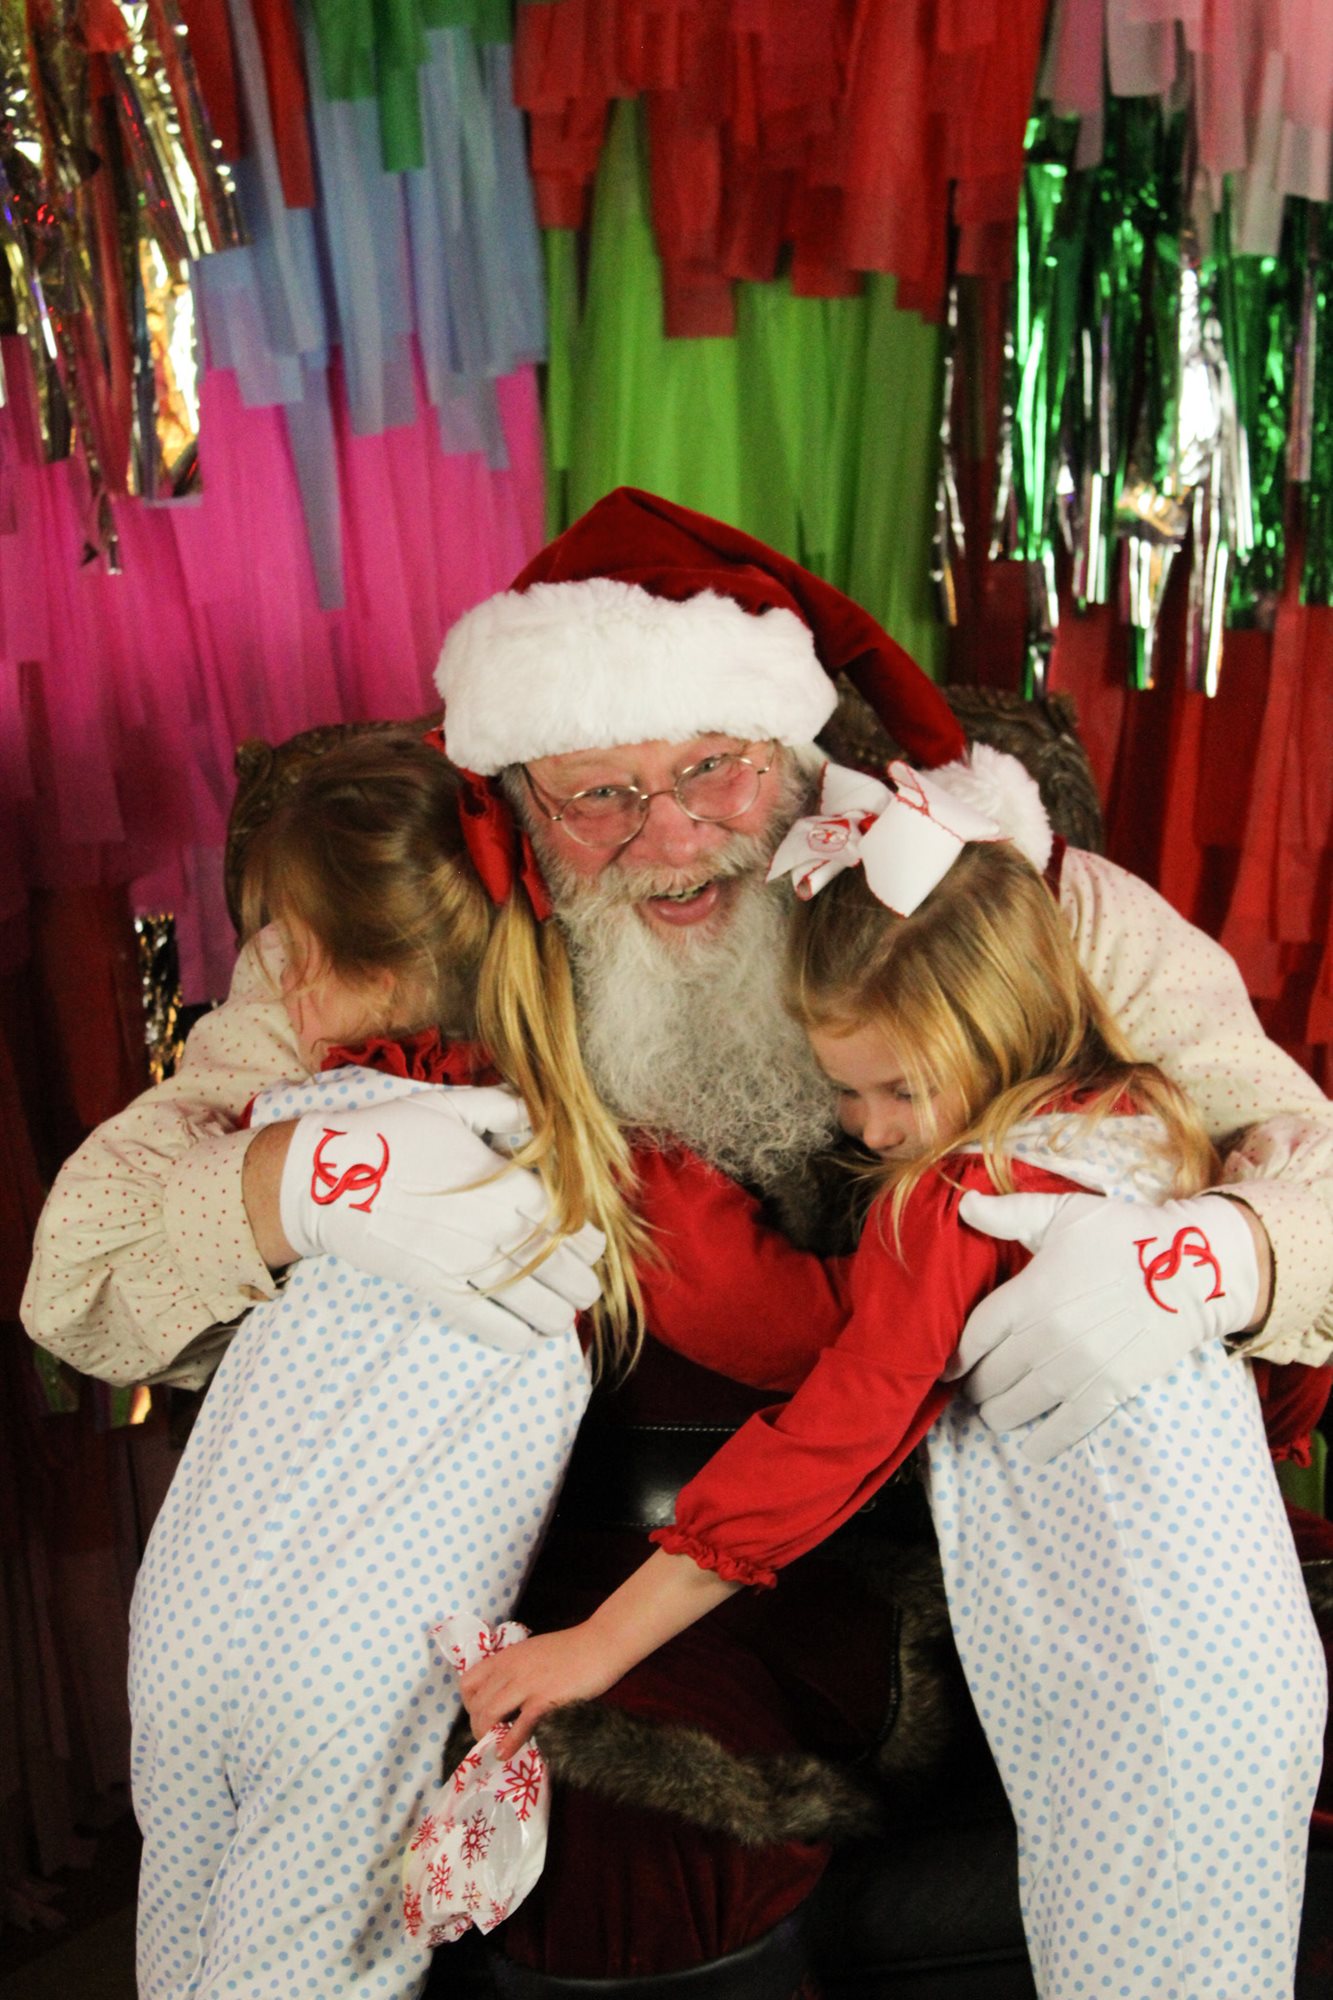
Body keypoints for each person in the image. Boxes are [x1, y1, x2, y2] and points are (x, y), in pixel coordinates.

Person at [23, 489, 1333, 1997]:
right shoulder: (409, 932)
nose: (671, 835)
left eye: (714, 767)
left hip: (940, 1542)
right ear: (517, 796)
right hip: (557, 1551)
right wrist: (295, 1180)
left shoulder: (1009, 897)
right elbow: (81, 1274)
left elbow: (1301, 1160)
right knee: (599, 1841)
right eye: (599, 795)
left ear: (790, 744)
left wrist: (1220, 1257)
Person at [460, 754, 1326, 1998]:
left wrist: (598, 1643)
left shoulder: (956, 1200)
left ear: (997, 1021)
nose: (868, 1128)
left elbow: (832, 1436)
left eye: (896, 1088)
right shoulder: (1146, 1125)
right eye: (844, 1091)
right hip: (1252, 1655)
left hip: (1119, 1681)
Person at [127, 733, 641, 1998]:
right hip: (359, 1655)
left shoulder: (282, 1129)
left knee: (175, 1960)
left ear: (318, 961)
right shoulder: (571, 1158)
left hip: (183, 1612)